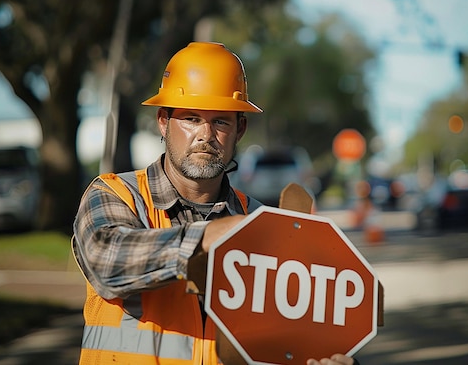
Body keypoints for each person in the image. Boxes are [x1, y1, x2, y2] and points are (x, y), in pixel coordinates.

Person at [72, 42, 357, 365]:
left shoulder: (260, 221)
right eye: (191, 118)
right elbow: (105, 261)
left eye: (220, 121)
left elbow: (284, 338)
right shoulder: (116, 195)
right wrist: (209, 237)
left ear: (240, 129)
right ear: (163, 122)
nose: (205, 134)